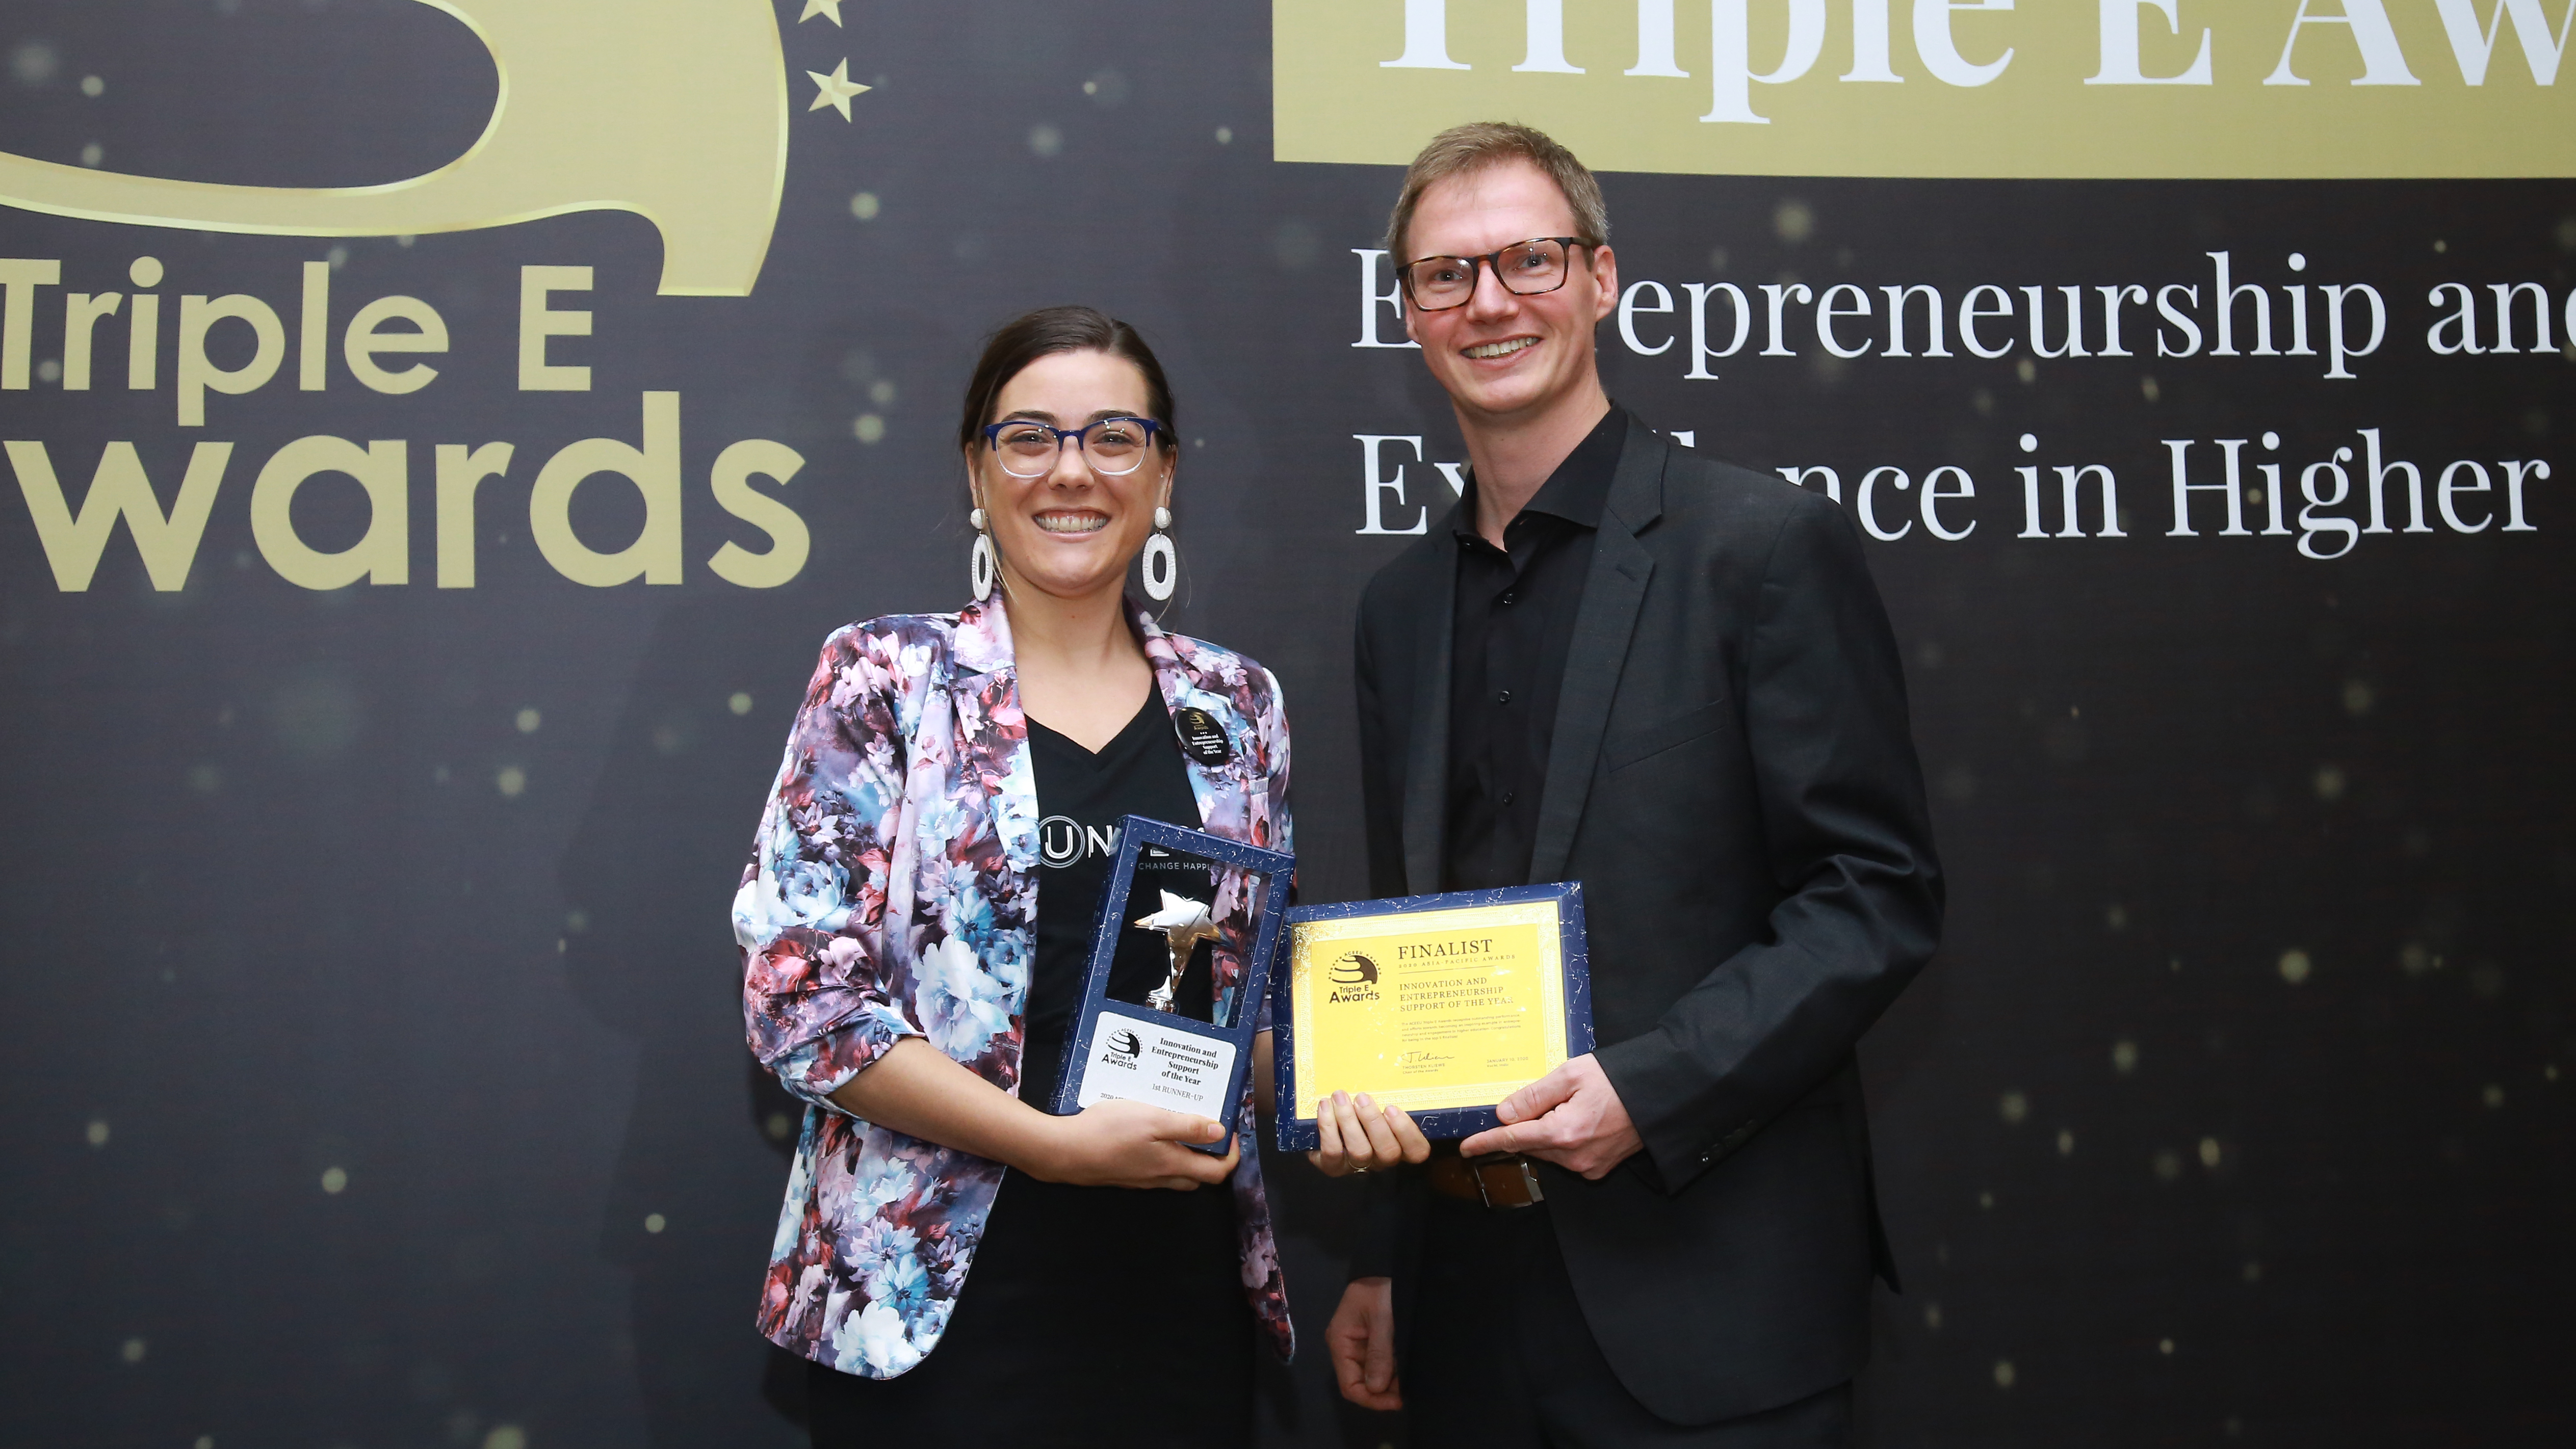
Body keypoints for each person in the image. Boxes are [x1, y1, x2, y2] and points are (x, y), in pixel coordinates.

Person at [1329, 123, 1945, 1446]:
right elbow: (1407, 937)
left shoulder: (1760, 548)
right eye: (1447, 275)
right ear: (1409, 314)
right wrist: (1384, 1251)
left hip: (1708, 1304)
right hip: (1465, 1316)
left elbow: (1872, 896)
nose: (1488, 301)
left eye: (1527, 259)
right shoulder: (1395, 614)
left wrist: (1651, 1092)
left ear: (1600, 278)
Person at [735, 306, 1297, 1447]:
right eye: (1029, 436)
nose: (1071, 471)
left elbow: (1252, 999)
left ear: (1166, 470)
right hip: (939, 1298)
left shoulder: (1237, 706)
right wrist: (1049, 1143)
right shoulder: (887, 676)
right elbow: (803, 1001)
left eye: (1113, 437)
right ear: (978, 471)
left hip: (1177, 1290)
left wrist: (1374, 1071)